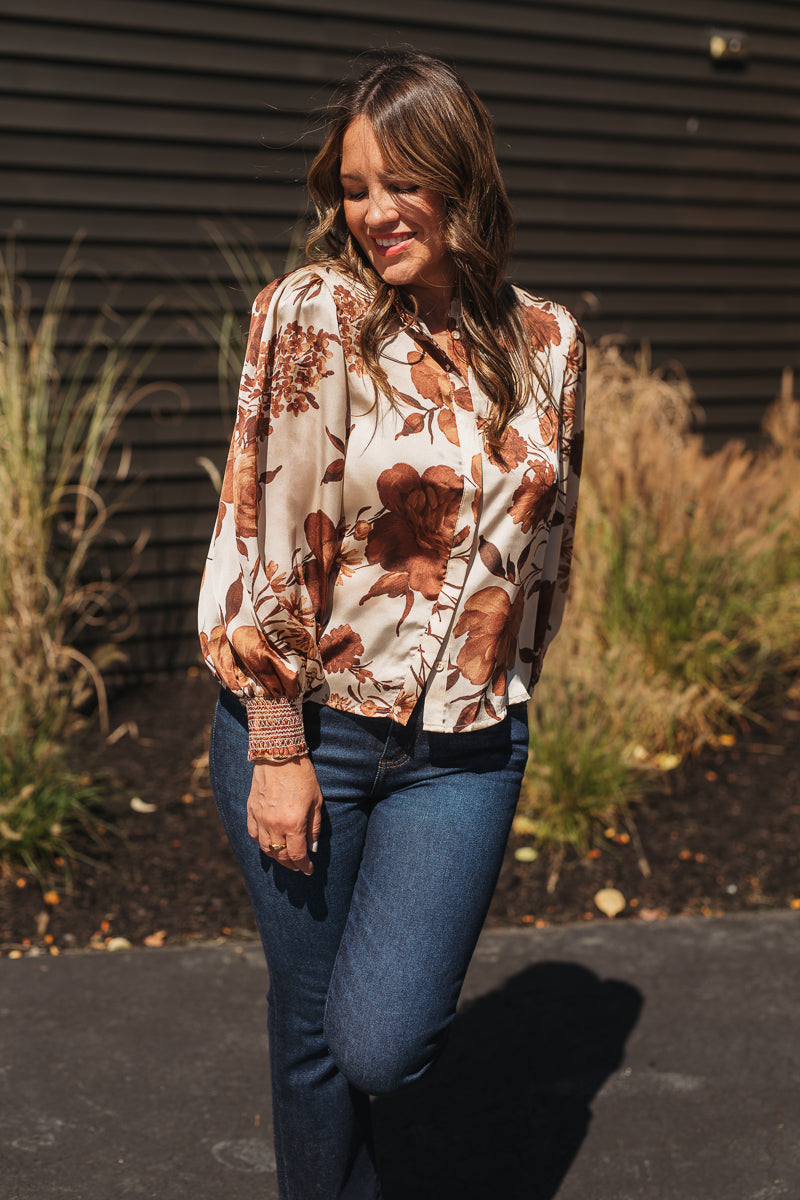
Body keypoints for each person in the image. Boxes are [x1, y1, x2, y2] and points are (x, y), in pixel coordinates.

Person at [198, 49, 585, 1200]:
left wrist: (504, 678)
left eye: (400, 184)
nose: (373, 213)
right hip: (311, 731)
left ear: (461, 179)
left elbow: (548, 549)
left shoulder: (550, 342)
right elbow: (268, 529)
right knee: (311, 1030)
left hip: (466, 745)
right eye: (355, 188)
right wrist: (276, 745)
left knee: (379, 1040)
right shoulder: (316, 313)